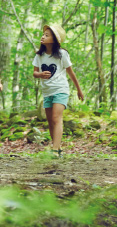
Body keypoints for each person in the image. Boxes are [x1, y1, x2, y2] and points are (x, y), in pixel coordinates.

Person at [32, 24, 84, 158]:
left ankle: (54, 150)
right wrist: (40, 74)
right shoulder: (40, 55)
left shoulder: (62, 54)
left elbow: (71, 73)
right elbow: (35, 73)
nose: (43, 37)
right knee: (50, 121)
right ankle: (58, 147)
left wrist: (79, 90)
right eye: (43, 35)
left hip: (60, 89)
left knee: (56, 117)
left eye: (47, 35)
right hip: (47, 91)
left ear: (55, 39)